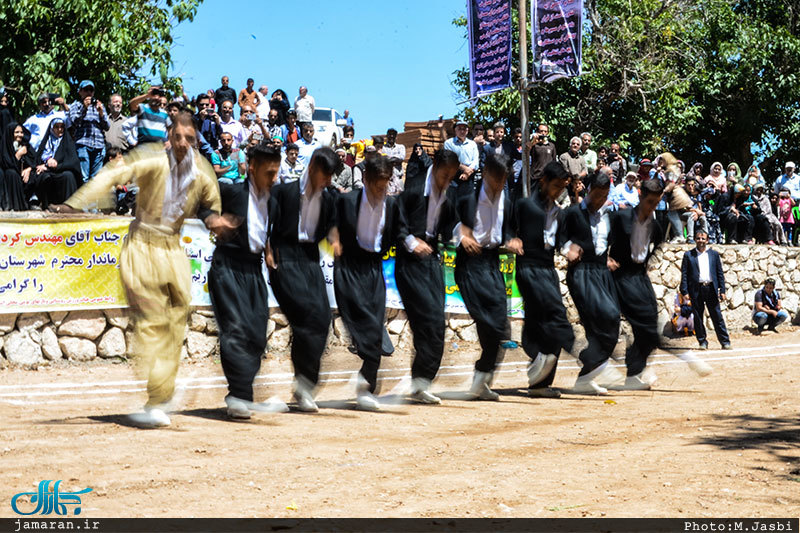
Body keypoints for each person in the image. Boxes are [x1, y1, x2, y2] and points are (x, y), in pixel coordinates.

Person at [52, 110, 232, 428]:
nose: (183, 143)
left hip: (173, 247)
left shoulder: (203, 169)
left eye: (190, 139)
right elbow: (113, 174)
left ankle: (161, 395)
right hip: (142, 244)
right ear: (169, 135)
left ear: (195, 140)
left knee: (177, 319)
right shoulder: (151, 157)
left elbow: (209, 205)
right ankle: (157, 398)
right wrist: (74, 204)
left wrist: (215, 220)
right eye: (178, 137)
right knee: (152, 321)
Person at [209, 143, 288, 419]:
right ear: (252, 168)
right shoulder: (231, 192)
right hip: (228, 266)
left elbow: (263, 229)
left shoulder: (274, 202)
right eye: (269, 173)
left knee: (256, 332)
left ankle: (242, 393)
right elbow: (199, 200)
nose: (274, 178)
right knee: (235, 329)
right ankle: (238, 396)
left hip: (254, 270)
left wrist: (268, 252)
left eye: (276, 172)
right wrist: (213, 219)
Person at [269, 147, 339, 413]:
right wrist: (268, 251)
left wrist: (335, 240)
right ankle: (303, 384)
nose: (328, 181)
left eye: (331, 176)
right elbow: (266, 222)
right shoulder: (283, 192)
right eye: (325, 175)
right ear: (312, 169)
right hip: (285, 258)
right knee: (306, 316)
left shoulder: (329, 199)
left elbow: (331, 226)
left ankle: (304, 386)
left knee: (321, 319)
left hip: (310, 259)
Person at [332, 156, 400, 411]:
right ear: (365, 180)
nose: (381, 192)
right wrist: (334, 240)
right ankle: (365, 361)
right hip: (349, 266)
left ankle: (366, 387)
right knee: (360, 322)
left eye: (385, 186)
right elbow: (330, 223)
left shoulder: (391, 205)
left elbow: (396, 234)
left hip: (373, 268)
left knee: (375, 324)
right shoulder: (347, 201)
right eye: (377, 187)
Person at [395, 149, 461, 403]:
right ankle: (420, 382)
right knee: (427, 320)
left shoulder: (450, 192)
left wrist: (463, 235)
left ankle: (422, 382)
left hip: (432, 259)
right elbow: (397, 222)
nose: (446, 182)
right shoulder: (413, 187)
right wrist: (412, 242)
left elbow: (451, 224)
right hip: (410, 262)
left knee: (436, 323)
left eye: (451, 177)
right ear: (434, 166)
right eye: (444, 176)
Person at [454, 152, 517, 401]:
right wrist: (462, 235)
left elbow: (508, 229)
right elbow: (448, 220)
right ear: (487, 173)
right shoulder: (467, 196)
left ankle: (481, 380)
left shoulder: (507, 202)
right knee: (488, 320)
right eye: (496, 178)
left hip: (492, 262)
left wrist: (512, 240)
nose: (499, 184)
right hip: (470, 263)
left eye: (504, 180)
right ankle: (480, 380)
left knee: (499, 324)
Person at [512, 161, 574, 398]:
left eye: (562, 187)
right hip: (528, 267)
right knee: (554, 315)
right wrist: (512, 238)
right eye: (556, 185)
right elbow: (507, 226)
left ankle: (540, 384)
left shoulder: (560, 212)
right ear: (543, 181)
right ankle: (539, 356)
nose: (558, 191)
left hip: (548, 269)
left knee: (543, 320)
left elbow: (561, 240)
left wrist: (569, 249)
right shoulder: (524, 205)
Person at [606, 178, 667, 390]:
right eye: (650, 202)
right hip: (620, 274)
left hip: (640, 275)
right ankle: (625, 369)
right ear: (640, 196)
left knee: (652, 321)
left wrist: (648, 263)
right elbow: (601, 238)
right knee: (640, 323)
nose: (652, 207)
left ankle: (634, 371)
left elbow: (658, 245)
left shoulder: (656, 226)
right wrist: (605, 259)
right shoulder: (621, 217)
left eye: (657, 203)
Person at [562, 169, 619, 395]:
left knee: (611, 324)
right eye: (597, 195)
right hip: (581, 272)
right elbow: (560, 238)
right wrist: (568, 250)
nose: (600, 200)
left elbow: (607, 242)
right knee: (605, 317)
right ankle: (592, 363)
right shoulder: (573, 213)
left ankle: (587, 374)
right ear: (589, 190)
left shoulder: (609, 215)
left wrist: (609, 259)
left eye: (604, 196)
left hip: (601, 273)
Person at [679, 229, 731, 350]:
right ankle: (702, 341)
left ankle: (725, 341)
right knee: (698, 317)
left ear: (707, 240)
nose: (700, 240)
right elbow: (684, 274)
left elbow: (719, 273)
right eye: (698, 238)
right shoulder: (688, 255)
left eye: (703, 238)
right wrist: (685, 291)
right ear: (695, 240)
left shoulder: (714, 255)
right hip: (696, 289)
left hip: (711, 288)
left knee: (717, 316)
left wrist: (722, 290)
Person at [29, 118, 81, 209]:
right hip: (48, 171)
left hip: (62, 170)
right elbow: (38, 160)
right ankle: (44, 204)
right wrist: (45, 164)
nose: (60, 129)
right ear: (52, 128)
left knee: (68, 176)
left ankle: (68, 206)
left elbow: (73, 162)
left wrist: (56, 166)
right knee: (44, 177)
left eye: (62, 127)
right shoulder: (46, 142)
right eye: (56, 127)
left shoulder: (67, 142)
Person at [67, 80, 109, 182]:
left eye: (91, 90)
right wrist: (84, 108)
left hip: (99, 145)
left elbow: (107, 126)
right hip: (83, 145)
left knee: (96, 179)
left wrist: (101, 114)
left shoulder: (99, 105)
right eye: (86, 90)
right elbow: (74, 122)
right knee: (83, 177)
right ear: (80, 92)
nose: (89, 92)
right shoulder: (75, 105)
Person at [0, 123, 36, 211]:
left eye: (21, 132)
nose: (20, 135)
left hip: (25, 176)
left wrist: (29, 169)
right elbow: (7, 164)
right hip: (11, 176)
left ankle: (32, 202)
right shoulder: (5, 146)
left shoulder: (25, 146)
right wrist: (18, 154)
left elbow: (35, 161)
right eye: (16, 132)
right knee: (11, 173)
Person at [443, 120, 479, 187]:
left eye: (464, 129)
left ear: (467, 130)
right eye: (459, 129)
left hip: (470, 176)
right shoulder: (449, 143)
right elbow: (450, 160)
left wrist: (468, 172)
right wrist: (465, 169)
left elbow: (475, 160)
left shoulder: (472, 144)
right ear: (455, 130)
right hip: (454, 177)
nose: (462, 131)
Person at [381, 128, 405, 196]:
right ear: (387, 136)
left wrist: (388, 159)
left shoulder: (401, 147)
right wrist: (395, 159)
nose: (391, 136)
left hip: (398, 178)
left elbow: (401, 157)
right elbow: (382, 159)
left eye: (393, 135)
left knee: (400, 199)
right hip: (387, 180)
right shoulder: (383, 148)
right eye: (390, 134)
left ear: (396, 137)